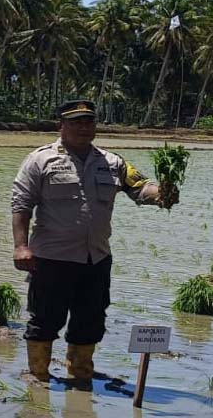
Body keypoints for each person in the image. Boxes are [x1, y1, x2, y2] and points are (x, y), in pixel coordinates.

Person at [11, 99, 174, 385]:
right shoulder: (39, 160)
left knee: (90, 321)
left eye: (89, 121)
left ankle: (80, 375)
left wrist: (164, 192)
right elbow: (21, 205)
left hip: (96, 258)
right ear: (61, 125)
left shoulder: (112, 162)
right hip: (52, 258)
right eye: (76, 121)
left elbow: (140, 187)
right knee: (45, 320)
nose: (84, 127)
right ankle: (38, 375)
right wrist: (21, 246)